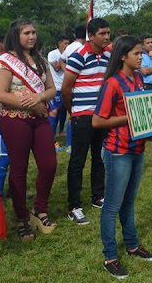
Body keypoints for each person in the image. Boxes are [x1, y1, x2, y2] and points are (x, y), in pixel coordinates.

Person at [92, 36, 152, 279]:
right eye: (137, 53)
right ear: (122, 56)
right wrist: (130, 116)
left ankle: (132, 245)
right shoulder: (112, 84)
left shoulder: (138, 78)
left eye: (142, 53)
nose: (142, 57)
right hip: (117, 151)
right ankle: (110, 257)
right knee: (112, 206)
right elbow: (97, 121)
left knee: (129, 202)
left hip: (137, 149)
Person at [0, 18, 57, 241]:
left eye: (33, 32)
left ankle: (40, 209)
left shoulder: (40, 59)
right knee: (19, 169)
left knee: (49, 164)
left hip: (39, 119)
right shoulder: (6, 61)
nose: (31, 36)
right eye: (26, 33)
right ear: (16, 36)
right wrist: (32, 104)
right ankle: (21, 218)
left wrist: (40, 97)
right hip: (14, 119)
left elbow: (52, 89)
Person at [62, 18, 111, 225]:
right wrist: (73, 112)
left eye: (108, 33)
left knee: (99, 157)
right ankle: (74, 206)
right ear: (91, 36)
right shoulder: (78, 56)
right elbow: (66, 87)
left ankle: (97, 196)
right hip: (82, 116)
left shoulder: (109, 56)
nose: (107, 37)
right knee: (78, 161)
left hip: (102, 116)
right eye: (102, 33)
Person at [59, 25, 87, 152]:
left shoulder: (69, 47)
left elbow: (61, 60)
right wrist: (73, 73)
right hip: (78, 83)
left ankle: (69, 144)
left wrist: (67, 72)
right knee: (76, 114)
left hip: (70, 81)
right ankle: (71, 144)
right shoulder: (82, 49)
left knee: (73, 113)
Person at [47, 35, 70, 143]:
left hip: (66, 85)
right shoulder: (52, 54)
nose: (67, 46)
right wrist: (63, 59)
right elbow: (56, 68)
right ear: (60, 44)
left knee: (65, 109)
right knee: (55, 110)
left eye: (68, 43)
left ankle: (61, 131)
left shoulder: (69, 54)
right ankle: (52, 137)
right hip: (56, 86)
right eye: (65, 43)